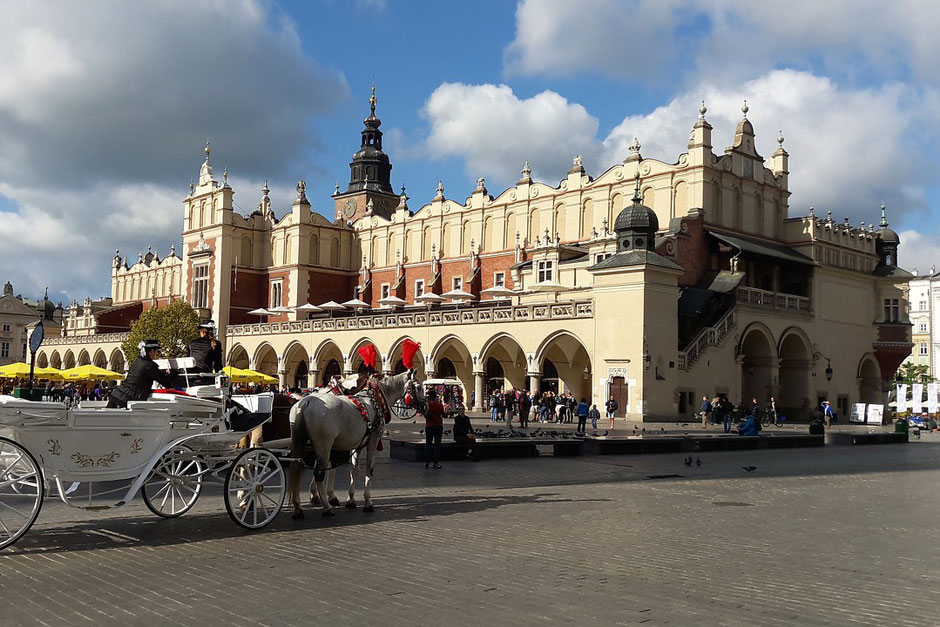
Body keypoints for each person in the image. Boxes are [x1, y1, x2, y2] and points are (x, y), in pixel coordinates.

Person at [107, 339, 178, 408]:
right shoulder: (149, 365)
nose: (157, 353)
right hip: (128, 400)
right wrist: (174, 372)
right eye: (157, 351)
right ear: (152, 351)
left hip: (117, 394)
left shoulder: (137, 361)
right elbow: (165, 381)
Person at [423, 389, 445, 469]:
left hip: (429, 426)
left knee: (428, 444)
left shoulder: (427, 405)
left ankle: (426, 462)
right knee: (437, 445)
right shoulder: (439, 406)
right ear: (436, 397)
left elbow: (424, 413)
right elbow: (444, 415)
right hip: (438, 426)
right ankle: (435, 462)